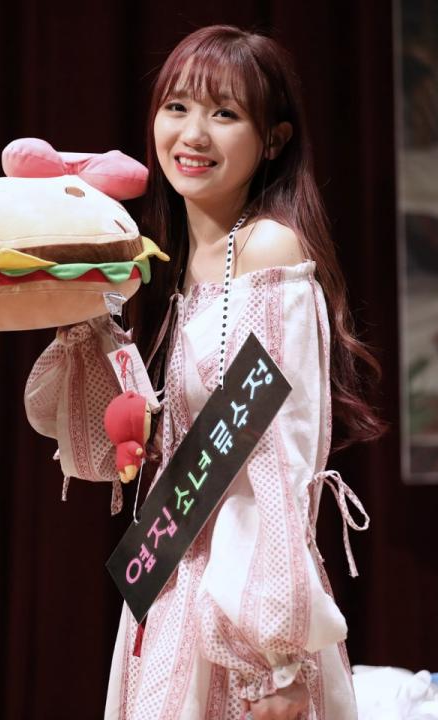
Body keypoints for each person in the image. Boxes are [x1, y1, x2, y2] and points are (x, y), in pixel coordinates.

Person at [108, 26, 384, 720]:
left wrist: (278, 656)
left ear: (274, 140)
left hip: (239, 616)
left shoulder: (266, 249)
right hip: (170, 586)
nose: (193, 134)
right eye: (177, 107)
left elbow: (279, 463)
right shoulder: (175, 261)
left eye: (224, 113)